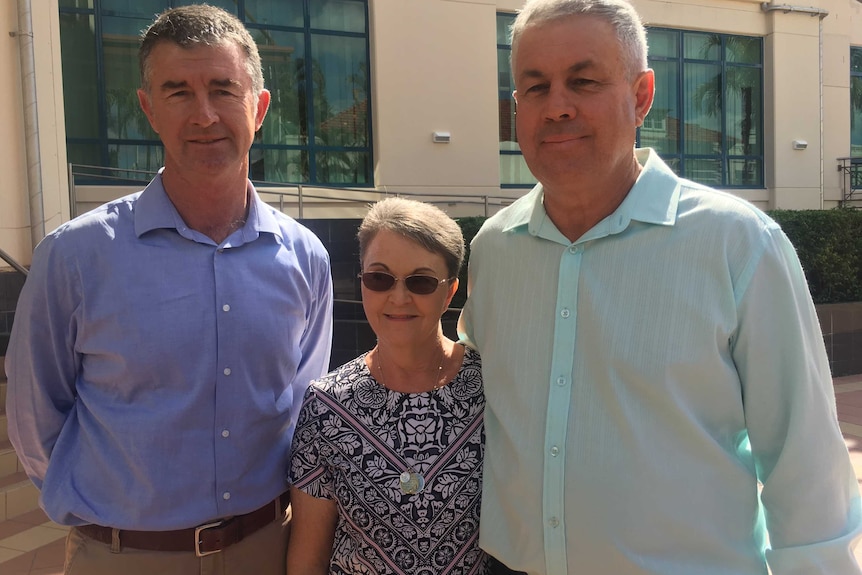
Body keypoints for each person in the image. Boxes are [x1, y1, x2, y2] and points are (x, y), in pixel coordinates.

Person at [458, 0, 862, 573]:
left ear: (642, 95)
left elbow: (805, 459)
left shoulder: (738, 243)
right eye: (536, 87)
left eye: (584, 81)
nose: (558, 107)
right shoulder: (494, 250)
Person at [5, 5, 332, 574]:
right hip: (124, 557)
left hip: (265, 549)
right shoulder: (75, 258)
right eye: (178, 92)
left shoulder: (304, 257)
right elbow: (35, 419)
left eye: (223, 90)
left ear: (259, 108)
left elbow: (303, 410)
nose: (204, 115)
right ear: (148, 109)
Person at [287, 197, 489, 575]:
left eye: (421, 281)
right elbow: (307, 558)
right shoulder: (327, 405)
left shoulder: (492, 390)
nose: (398, 297)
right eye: (380, 278)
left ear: (449, 292)